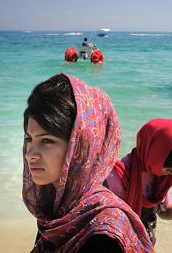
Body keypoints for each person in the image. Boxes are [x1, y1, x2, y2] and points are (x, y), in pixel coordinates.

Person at [23, 73, 153, 252]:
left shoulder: (103, 236)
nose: (30, 154)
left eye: (46, 140)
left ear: (80, 146)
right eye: (29, 139)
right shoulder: (58, 210)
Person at [105, 118, 172, 245]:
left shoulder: (161, 177)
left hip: (145, 242)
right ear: (155, 153)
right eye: (170, 167)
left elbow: (163, 210)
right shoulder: (116, 177)